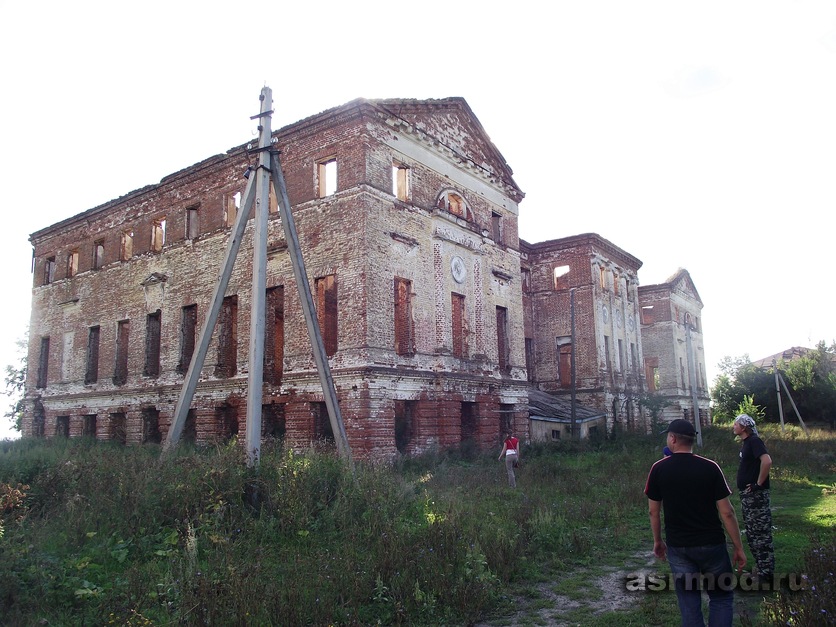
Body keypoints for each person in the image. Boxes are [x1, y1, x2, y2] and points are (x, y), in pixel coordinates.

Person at [645, 419, 746, 626]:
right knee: (720, 598)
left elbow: (653, 512)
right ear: (691, 441)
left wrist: (658, 541)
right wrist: (738, 547)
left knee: (689, 602)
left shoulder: (659, 469)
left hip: (679, 546)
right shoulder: (710, 467)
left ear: (672, 439)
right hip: (712, 545)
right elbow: (727, 512)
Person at [733, 413, 775, 582]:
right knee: (753, 533)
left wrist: (758, 484)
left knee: (760, 534)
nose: (733, 426)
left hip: (756, 496)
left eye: (736, 424)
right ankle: (761, 568)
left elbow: (767, 461)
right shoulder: (747, 443)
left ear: (744, 427)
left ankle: (766, 574)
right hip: (749, 496)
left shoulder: (754, 441)